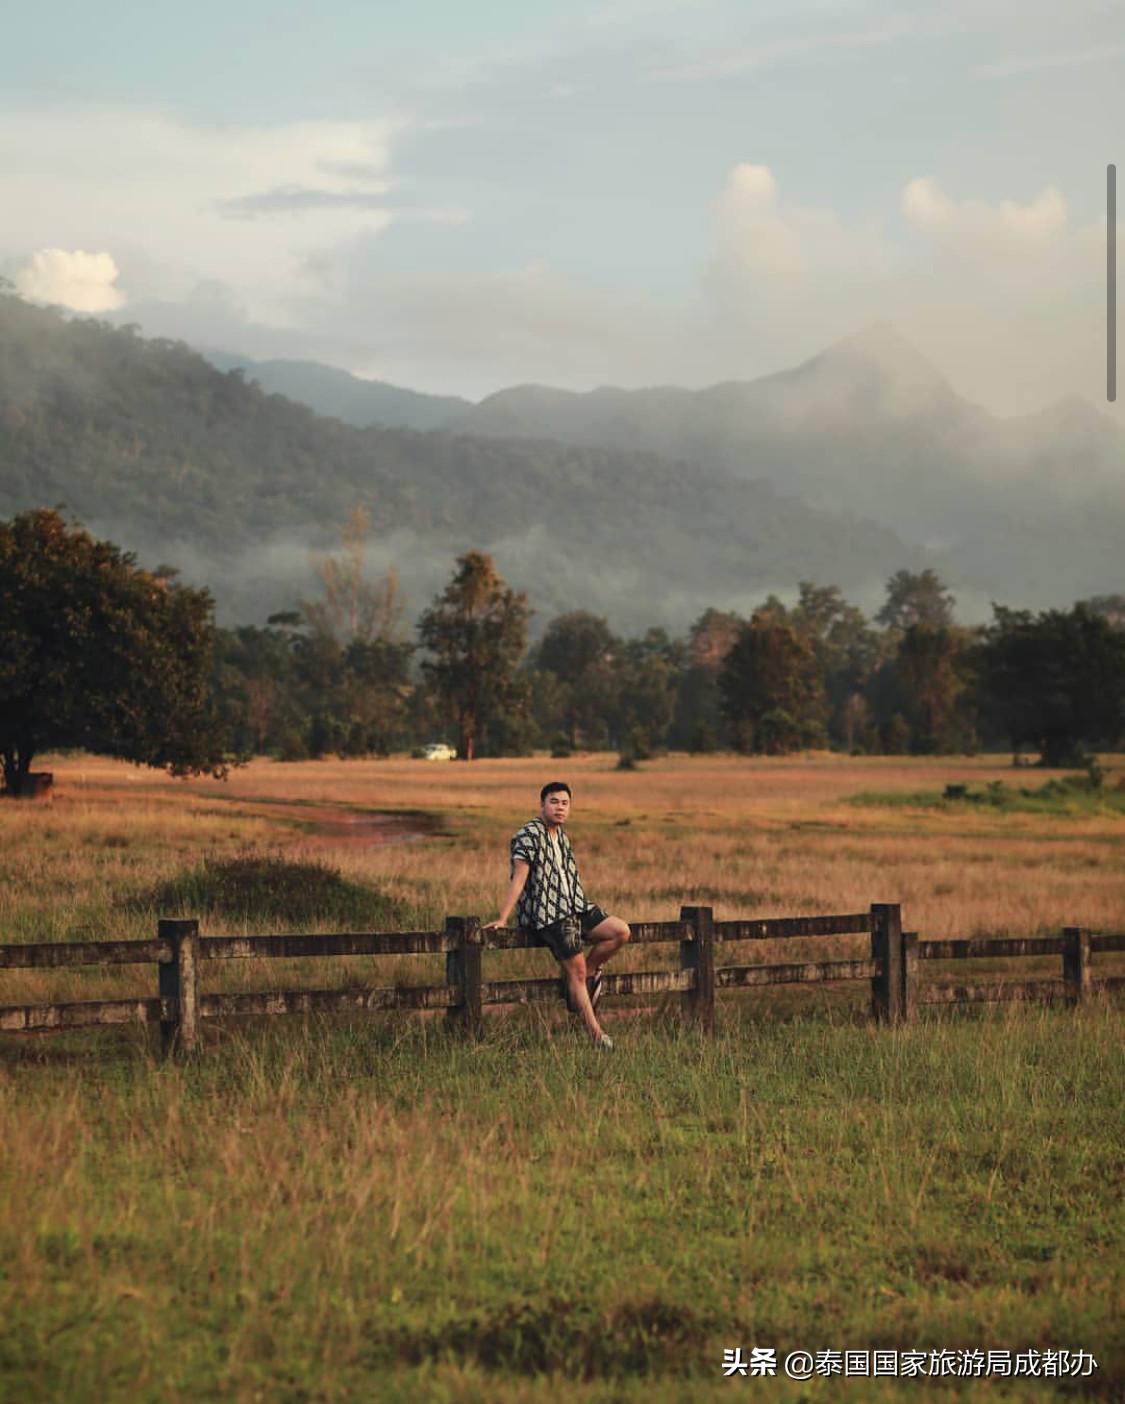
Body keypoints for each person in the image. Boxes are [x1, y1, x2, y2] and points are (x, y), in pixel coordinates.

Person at [484, 781, 629, 1048]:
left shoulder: (561, 835)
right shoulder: (527, 835)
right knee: (576, 970)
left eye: (564, 803)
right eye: (554, 802)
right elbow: (518, 880)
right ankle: (596, 1035)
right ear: (542, 804)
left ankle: (583, 980)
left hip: (575, 905)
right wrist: (503, 918)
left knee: (620, 931)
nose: (560, 808)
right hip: (548, 913)